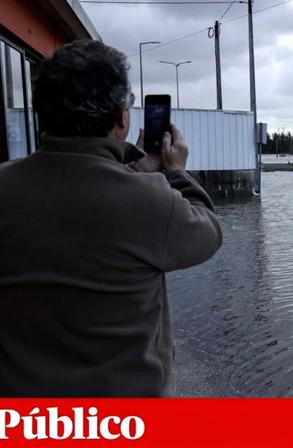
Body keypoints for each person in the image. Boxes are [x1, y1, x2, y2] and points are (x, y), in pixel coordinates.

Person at [0, 40, 222, 396]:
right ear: (121, 117)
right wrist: (175, 172)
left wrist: (138, 167)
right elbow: (207, 232)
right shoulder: (149, 201)